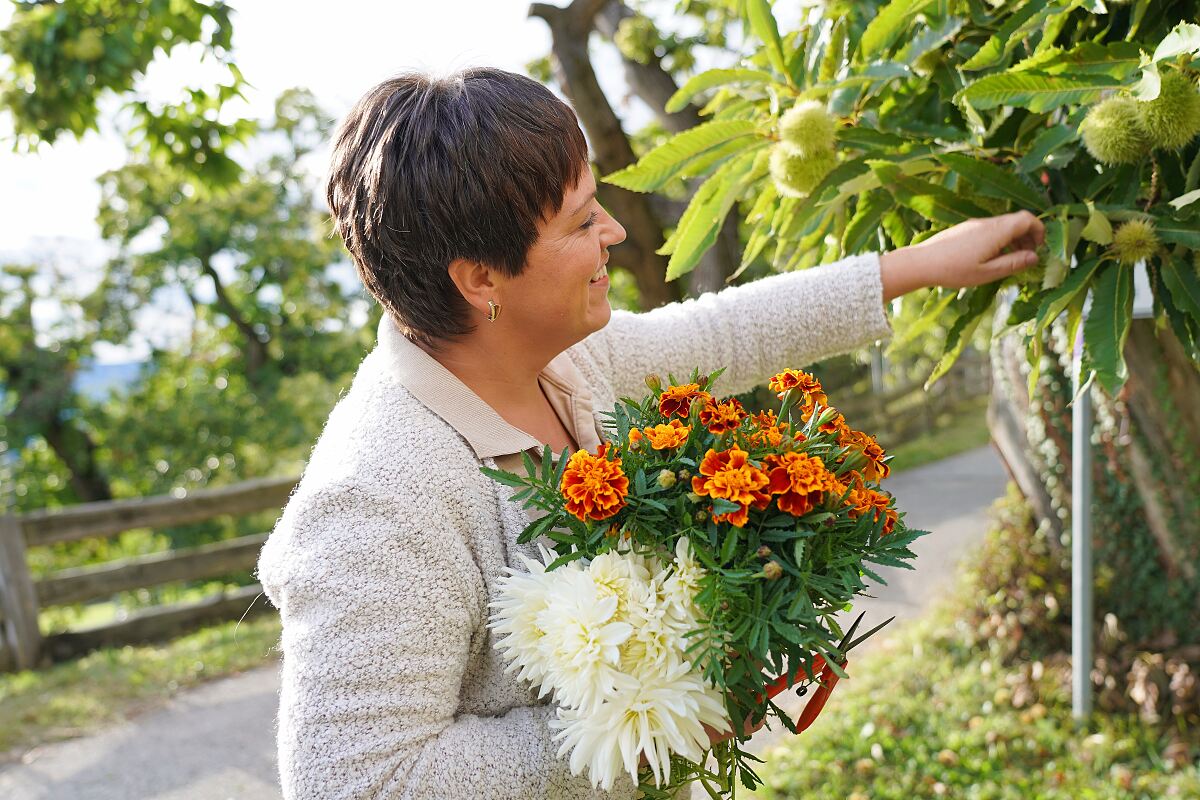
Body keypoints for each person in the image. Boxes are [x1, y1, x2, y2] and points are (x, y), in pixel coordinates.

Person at [255, 66, 1044, 799]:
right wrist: (654, 723)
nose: (614, 234)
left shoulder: (569, 358)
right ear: (480, 278)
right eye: (579, 222)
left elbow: (724, 334)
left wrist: (920, 266)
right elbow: (355, 781)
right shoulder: (375, 502)